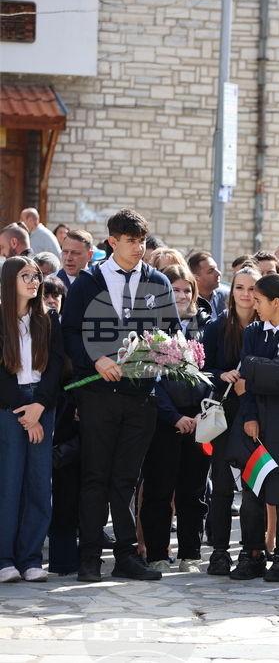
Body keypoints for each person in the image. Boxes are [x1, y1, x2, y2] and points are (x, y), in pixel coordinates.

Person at [62, 208, 180, 582]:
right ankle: (89, 558)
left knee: (128, 478)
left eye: (142, 241)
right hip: (97, 395)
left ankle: (127, 556)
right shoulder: (87, 282)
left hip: (142, 395)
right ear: (112, 242)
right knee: (96, 475)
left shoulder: (158, 281)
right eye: (131, 241)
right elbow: (69, 334)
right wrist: (96, 360)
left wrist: (164, 354)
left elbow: (174, 334)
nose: (138, 248)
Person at [226, 275, 279, 582]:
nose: (253, 303)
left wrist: (251, 373)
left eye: (259, 299)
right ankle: (252, 555)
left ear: (276, 302)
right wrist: (249, 410)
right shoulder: (252, 331)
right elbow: (243, 383)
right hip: (254, 421)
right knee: (251, 493)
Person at [140, 264, 213, 574]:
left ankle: (190, 555)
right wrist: (173, 416)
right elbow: (150, 377)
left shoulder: (206, 325)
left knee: (194, 492)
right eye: (175, 289)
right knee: (159, 490)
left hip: (201, 421)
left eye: (187, 290)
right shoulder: (151, 328)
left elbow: (215, 371)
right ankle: (156, 553)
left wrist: (201, 413)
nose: (182, 295)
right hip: (163, 421)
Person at [0, 256, 64, 582]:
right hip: (8, 406)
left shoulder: (48, 318)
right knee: (8, 482)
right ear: (9, 280)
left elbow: (55, 367)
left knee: (39, 483)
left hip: (42, 403)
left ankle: (30, 558)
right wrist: (24, 414)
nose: (33, 281)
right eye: (25, 276)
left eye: (36, 276)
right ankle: (4, 559)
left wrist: (39, 407)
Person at [202, 266, 261, 575]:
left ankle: (251, 550)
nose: (245, 294)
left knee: (253, 487)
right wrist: (220, 374)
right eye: (240, 287)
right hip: (224, 415)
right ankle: (220, 551)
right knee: (223, 486)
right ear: (232, 291)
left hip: (257, 415)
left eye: (252, 288)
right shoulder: (216, 327)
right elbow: (202, 370)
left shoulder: (266, 326)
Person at [187, 251, 228, 320]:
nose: (218, 273)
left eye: (216, 268)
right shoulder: (186, 300)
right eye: (211, 271)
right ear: (196, 278)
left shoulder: (226, 296)